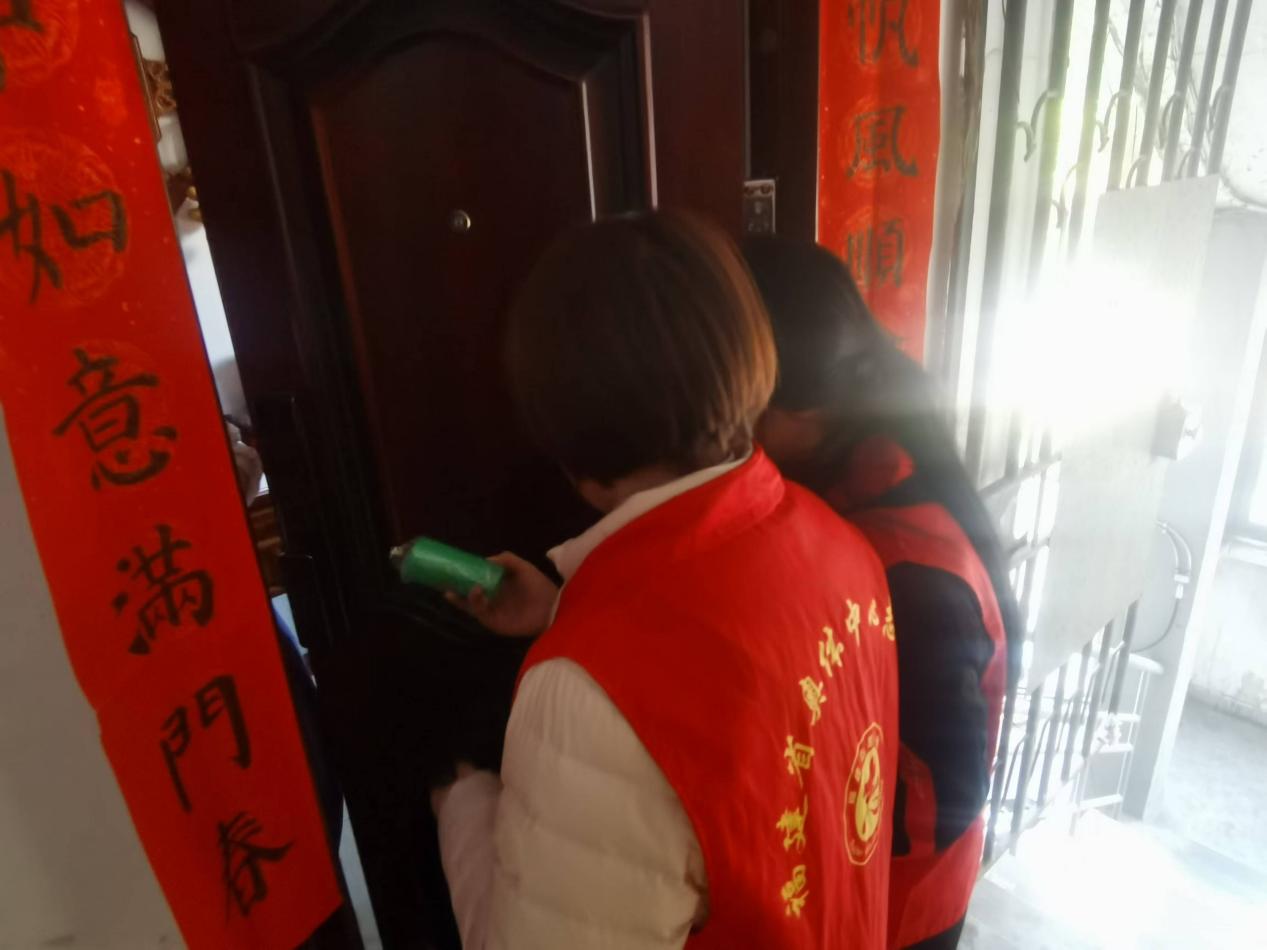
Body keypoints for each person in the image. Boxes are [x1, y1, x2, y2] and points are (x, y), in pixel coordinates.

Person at [432, 212, 899, 949]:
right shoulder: (840, 544)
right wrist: (571, 613)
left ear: (566, 441)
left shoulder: (581, 697)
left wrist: (464, 802)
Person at [742, 237, 1022, 950]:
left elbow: (947, 796)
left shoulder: (908, 567)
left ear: (812, 410)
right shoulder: (851, 476)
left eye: (746, 413)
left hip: (900, 906)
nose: (728, 439)